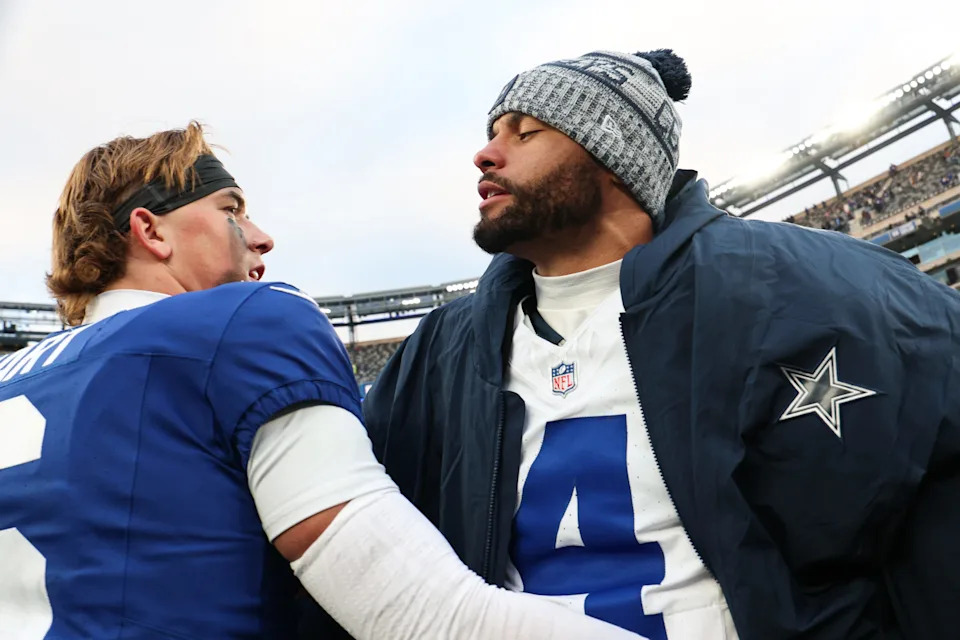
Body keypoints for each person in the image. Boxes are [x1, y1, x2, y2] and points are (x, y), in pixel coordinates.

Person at [359, 49, 960, 639]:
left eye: (525, 133)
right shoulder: (438, 353)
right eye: (493, 133)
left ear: (613, 158)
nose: (485, 154)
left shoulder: (804, 291)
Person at [0, 123, 643, 639]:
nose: (261, 236)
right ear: (150, 230)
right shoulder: (242, 323)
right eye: (232, 210)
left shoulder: (12, 376)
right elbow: (422, 615)